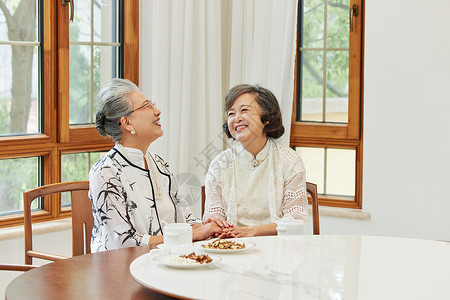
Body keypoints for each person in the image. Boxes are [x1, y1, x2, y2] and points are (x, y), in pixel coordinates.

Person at [89, 78, 222, 252]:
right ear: (127, 123)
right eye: (147, 106)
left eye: (153, 104)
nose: (157, 111)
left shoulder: (159, 164)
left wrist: (211, 226)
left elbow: (186, 219)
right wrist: (192, 234)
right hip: (120, 268)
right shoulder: (105, 172)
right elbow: (126, 242)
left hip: (165, 260)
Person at [203, 84, 308, 237]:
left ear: (266, 118)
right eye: (231, 113)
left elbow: (296, 220)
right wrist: (220, 226)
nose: (236, 118)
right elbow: (213, 219)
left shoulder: (290, 160)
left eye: (244, 110)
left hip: (277, 249)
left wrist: (251, 231)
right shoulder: (220, 164)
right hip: (232, 246)